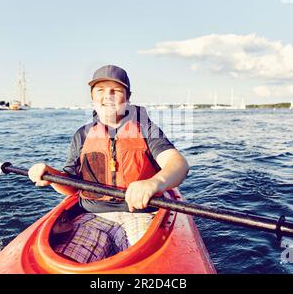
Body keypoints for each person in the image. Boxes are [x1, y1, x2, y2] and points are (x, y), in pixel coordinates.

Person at [28, 65, 189, 262]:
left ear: (128, 97)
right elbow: (71, 186)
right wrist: (50, 174)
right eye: (100, 90)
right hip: (91, 215)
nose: (108, 96)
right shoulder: (82, 135)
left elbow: (178, 164)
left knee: (140, 262)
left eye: (116, 90)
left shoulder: (147, 129)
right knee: (67, 262)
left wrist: (154, 183)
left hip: (140, 214)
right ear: (92, 97)